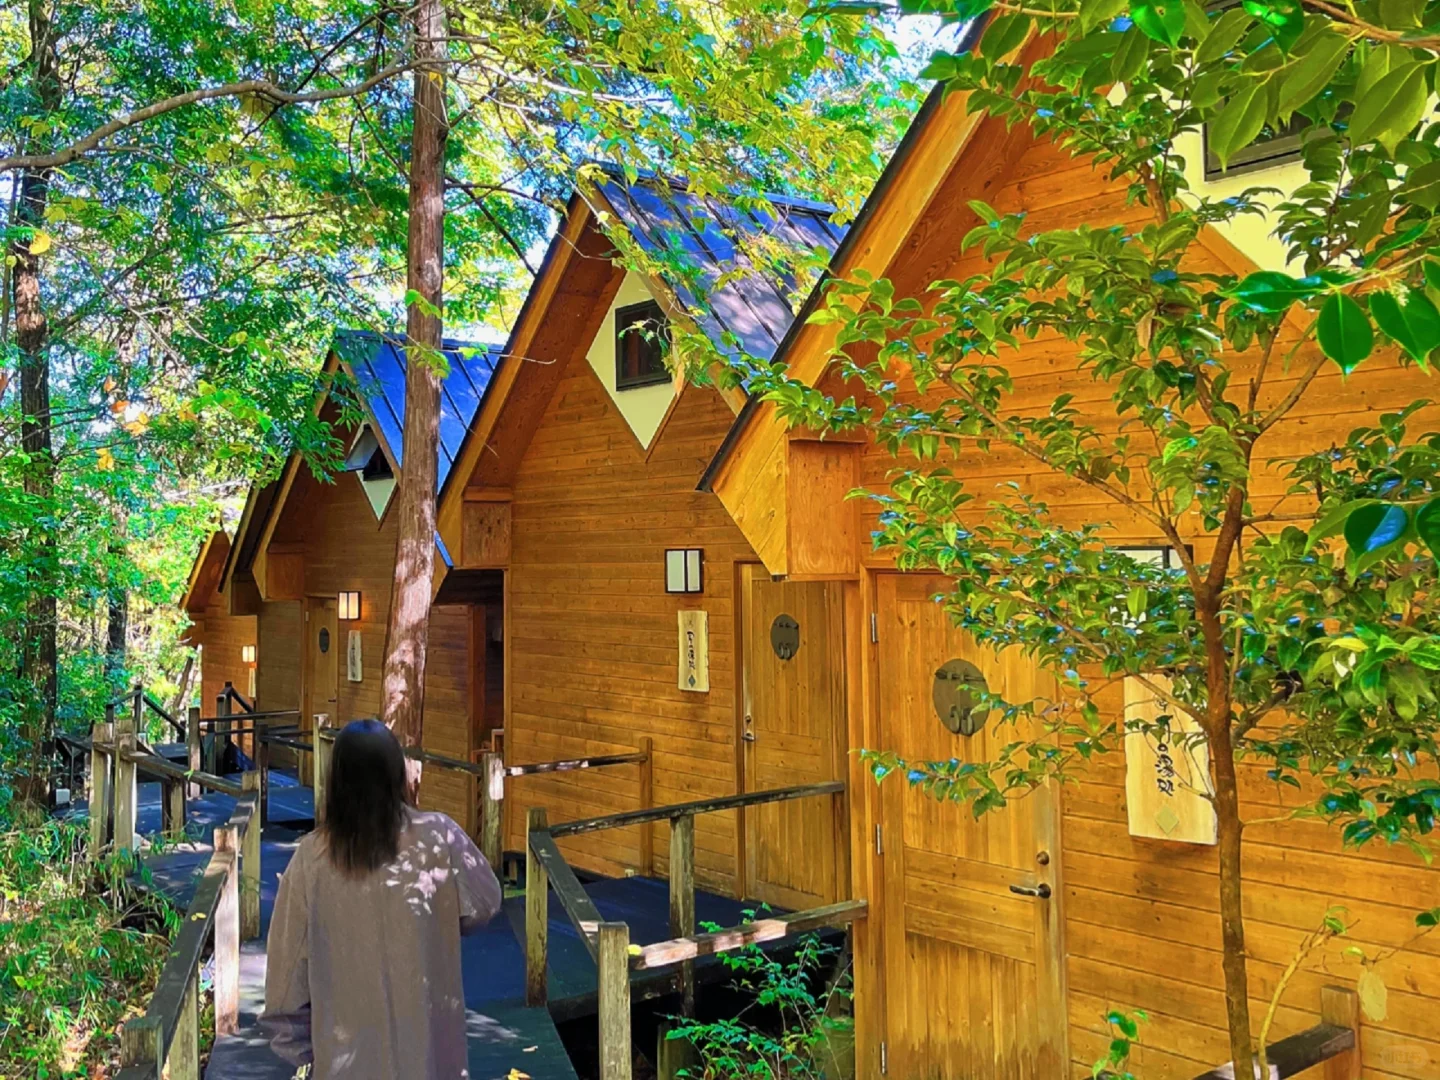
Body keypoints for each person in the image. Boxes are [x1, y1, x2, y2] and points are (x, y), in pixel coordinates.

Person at [260, 719, 502, 1078]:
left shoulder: (311, 859)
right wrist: (438, 920)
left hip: (346, 1066)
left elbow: (285, 985)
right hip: (432, 1061)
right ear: (397, 774)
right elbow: (486, 902)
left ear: (336, 779)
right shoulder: (439, 836)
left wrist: (307, 1052)